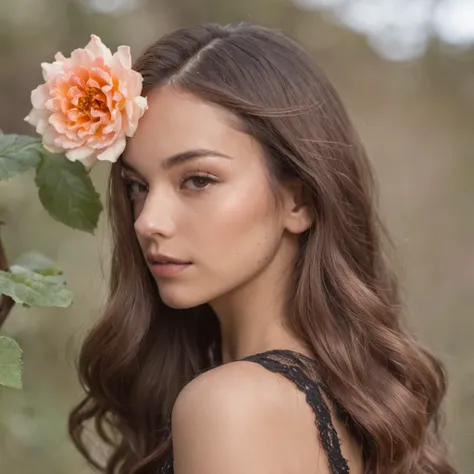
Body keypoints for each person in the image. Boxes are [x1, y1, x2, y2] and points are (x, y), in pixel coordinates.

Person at [68, 23, 457, 474]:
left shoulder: (230, 407)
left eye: (198, 180)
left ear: (300, 200)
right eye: (137, 185)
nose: (147, 221)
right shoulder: (348, 402)